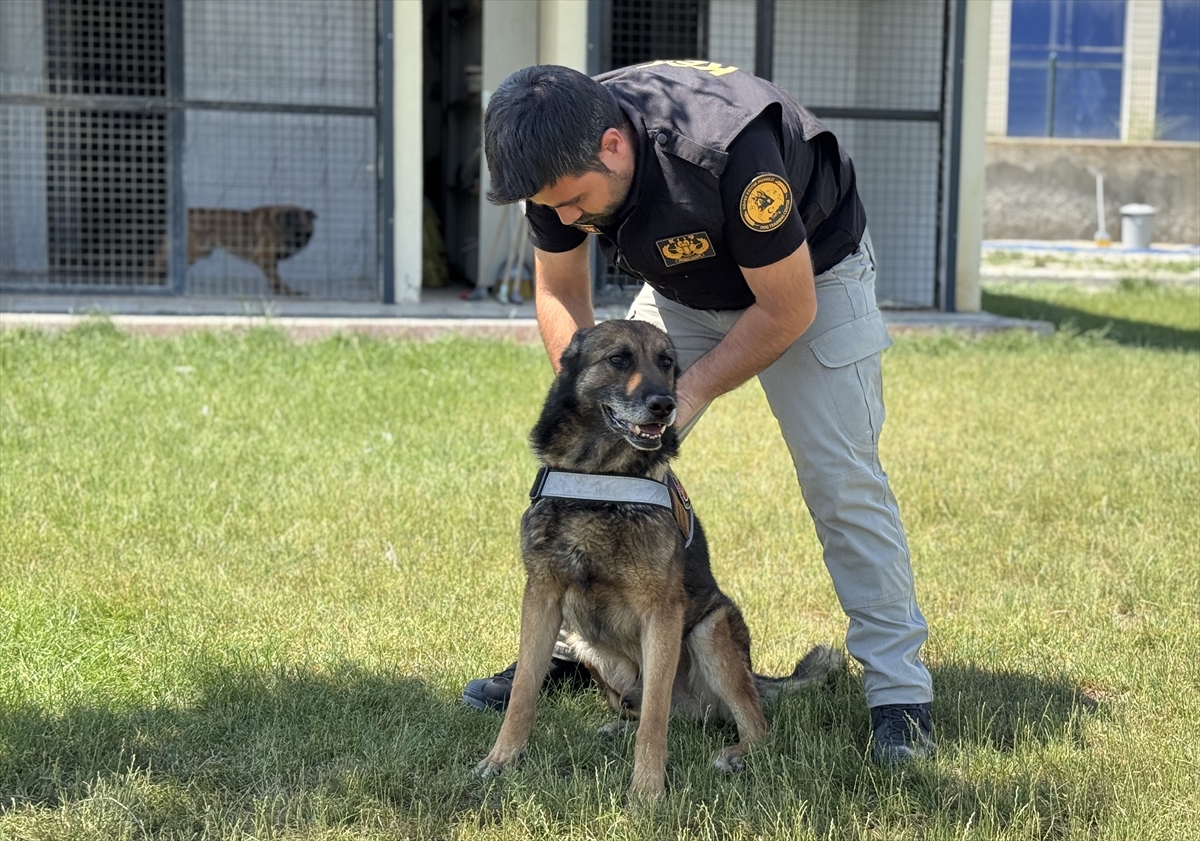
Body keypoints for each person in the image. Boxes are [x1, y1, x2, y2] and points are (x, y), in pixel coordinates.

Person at [462, 61, 936, 764]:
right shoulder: (552, 156)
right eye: (550, 207)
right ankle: (573, 645)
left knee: (841, 479)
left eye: (573, 203)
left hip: (810, 278)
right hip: (682, 293)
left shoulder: (727, 152)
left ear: (614, 148)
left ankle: (899, 693)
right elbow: (562, 294)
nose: (564, 219)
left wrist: (686, 393)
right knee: (597, 462)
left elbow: (786, 308)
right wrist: (600, 401)